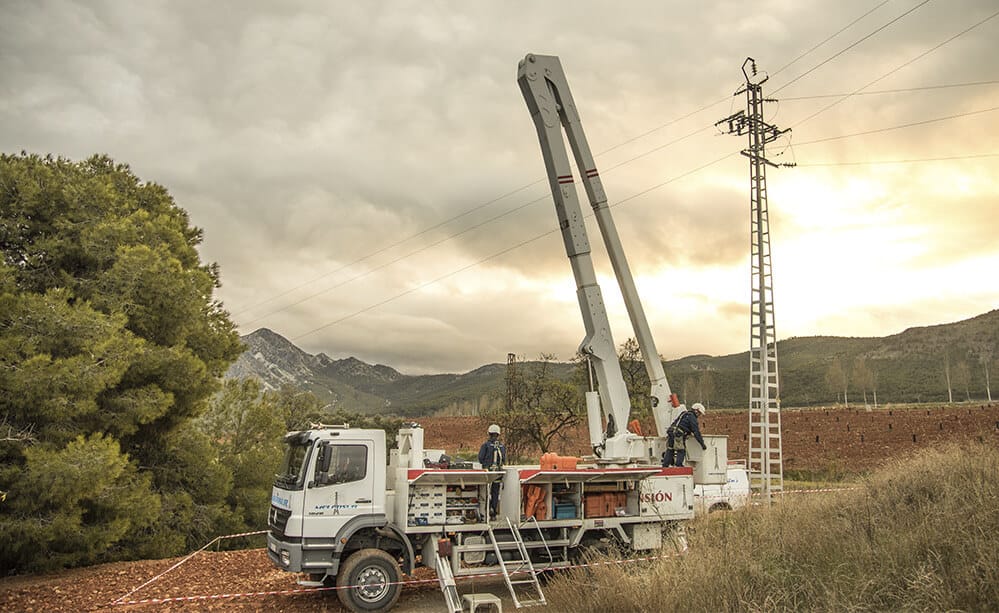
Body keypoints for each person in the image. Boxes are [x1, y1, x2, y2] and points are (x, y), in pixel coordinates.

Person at [662, 403, 707, 467]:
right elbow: (696, 432)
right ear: (696, 411)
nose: (699, 415)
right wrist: (702, 444)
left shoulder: (684, 413)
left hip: (671, 432)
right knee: (681, 450)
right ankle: (679, 465)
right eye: (699, 413)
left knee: (670, 449)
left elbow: (680, 423)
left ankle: (665, 465)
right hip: (678, 434)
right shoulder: (692, 418)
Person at [478, 424, 506, 520]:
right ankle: (493, 513)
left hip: (487, 473)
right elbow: (504, 459)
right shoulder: (501, 446)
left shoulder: (485, 445)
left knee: (485, 493)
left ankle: (484, 513)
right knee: (495, 493)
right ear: (498, 434)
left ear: (489, 434)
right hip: (498, 474)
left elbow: (481, 458)